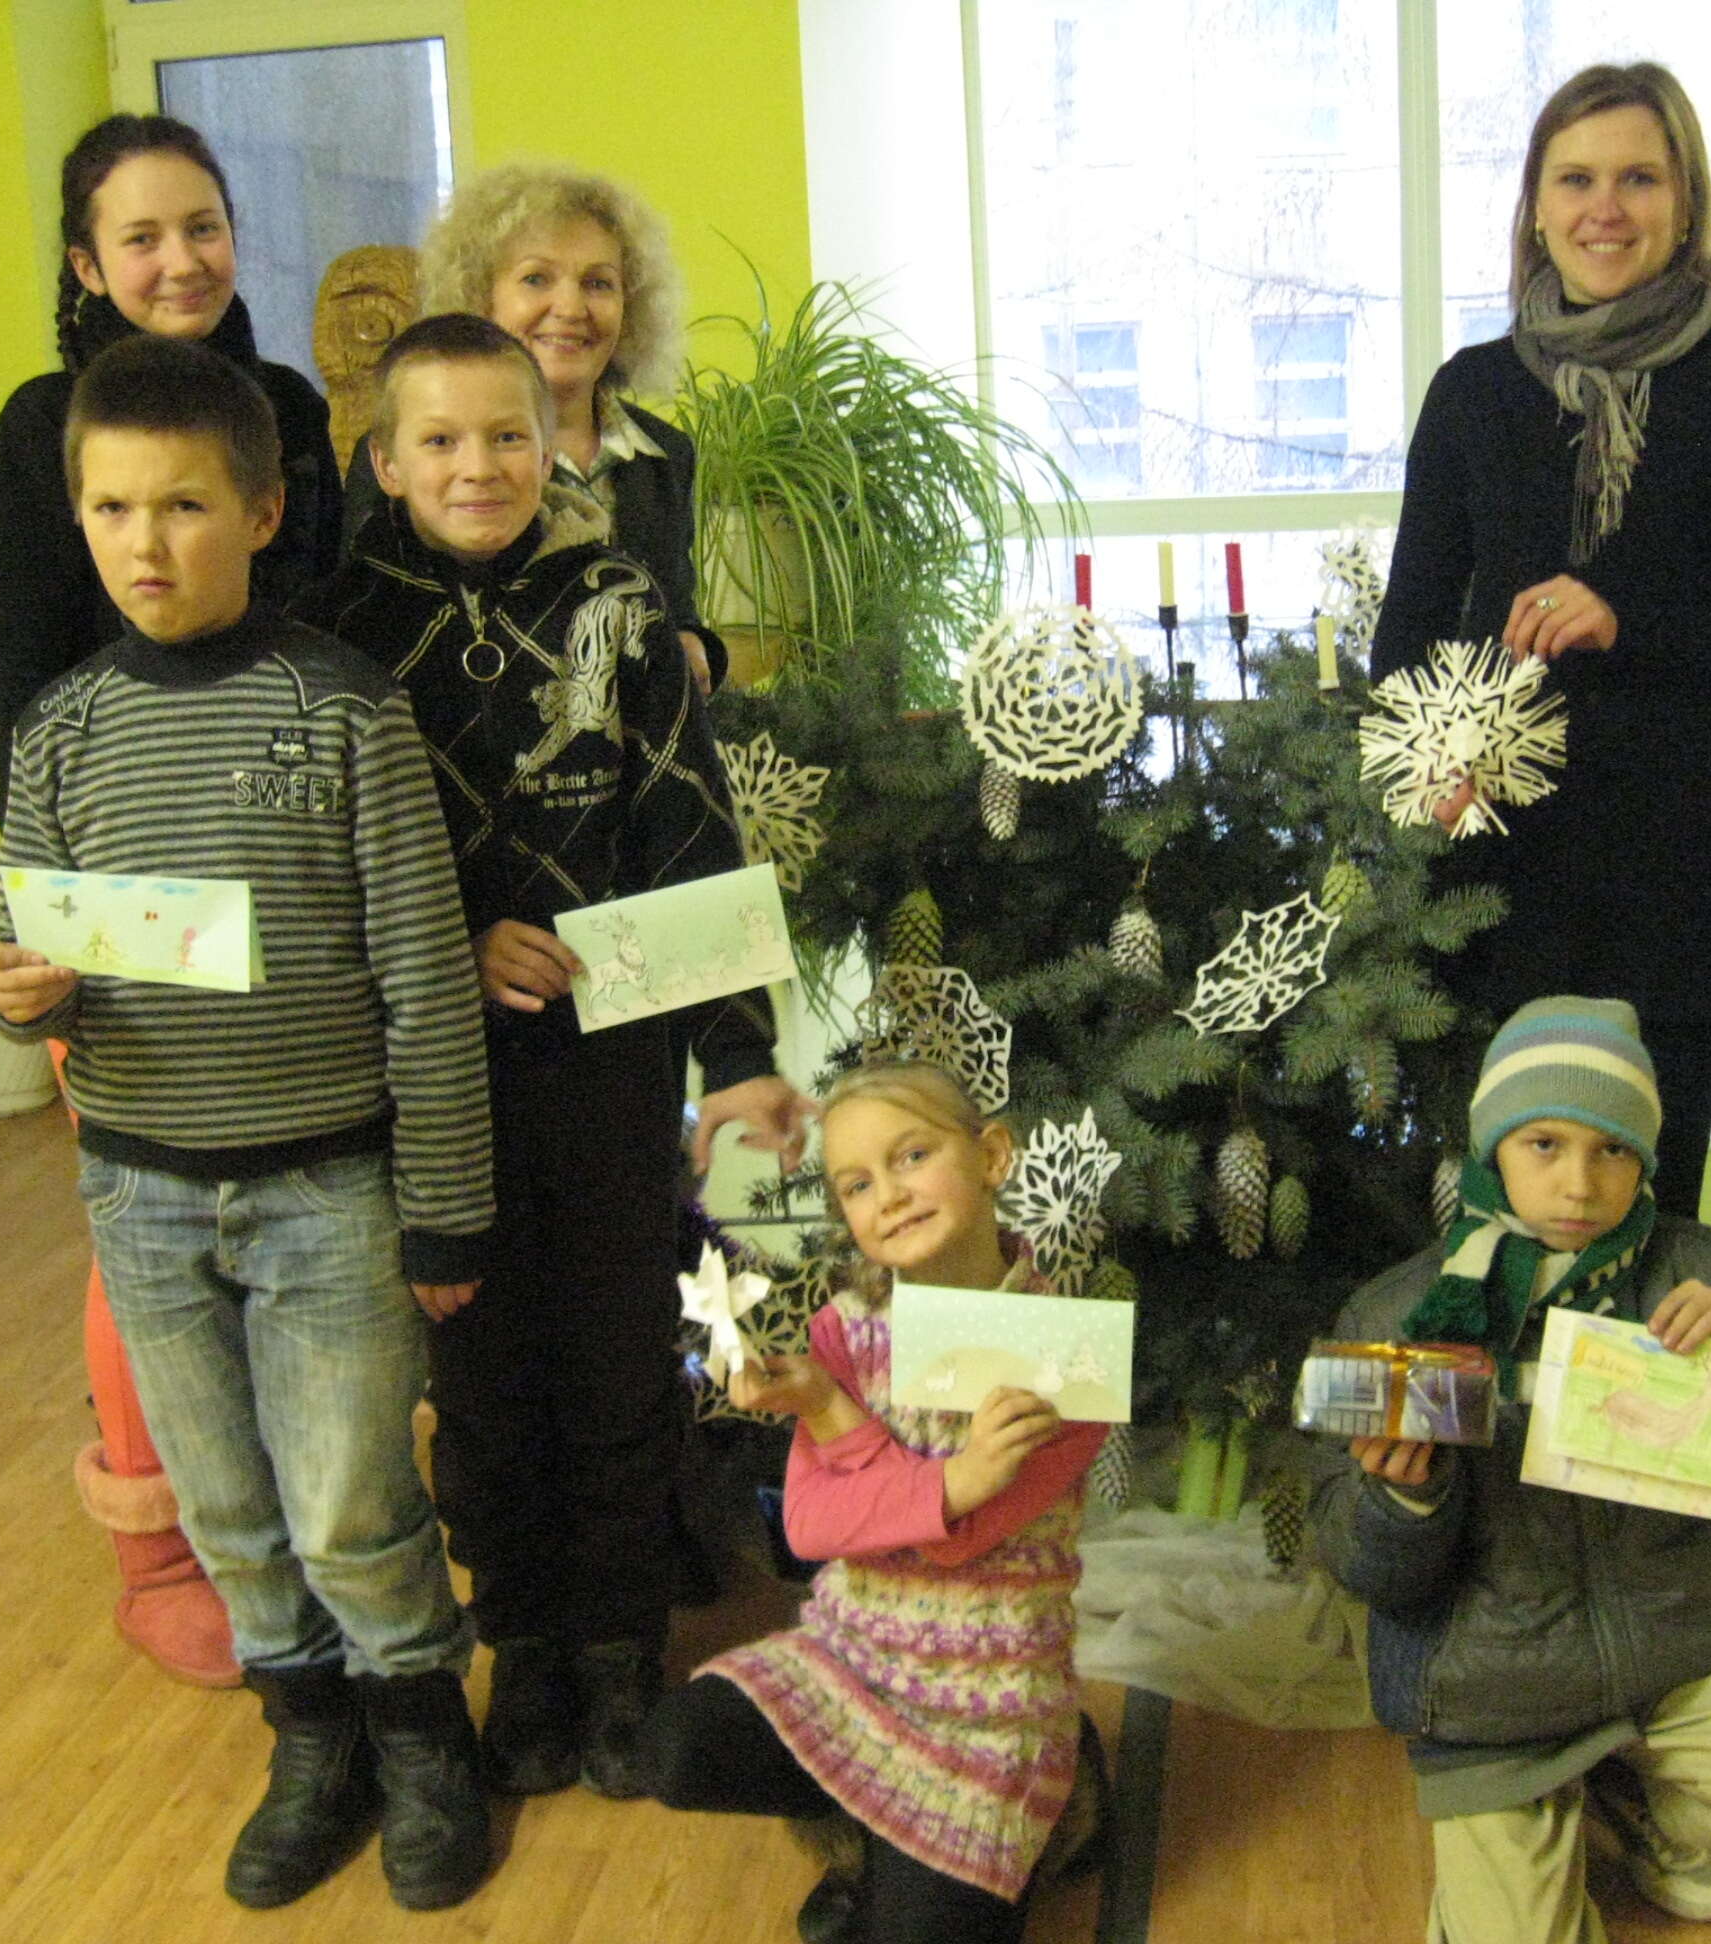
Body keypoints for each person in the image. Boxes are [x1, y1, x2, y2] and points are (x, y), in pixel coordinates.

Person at [0, 335, 496, 1911]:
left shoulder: (342, 711)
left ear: (264, 514)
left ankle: (422, 1737)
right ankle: (310, 1736)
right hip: (141, 1192)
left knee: (350, 1501)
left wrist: (446, 1207)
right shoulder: (59, 732)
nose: (147, 544)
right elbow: (38, 970)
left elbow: (426, 978)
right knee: (227, 1506)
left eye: (185, 506)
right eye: (113, 509)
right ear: (76, 516)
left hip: (328, 1188)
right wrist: (20, 995)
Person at [295, 313, 815, 1802]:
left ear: (550, 445)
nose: (478, 466)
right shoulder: (338, 634)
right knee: (482, 1376)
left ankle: (616, 1647)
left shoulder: (618, 604)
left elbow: (690, 825)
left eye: (507, 436)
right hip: (434, 1078)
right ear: (384, 461)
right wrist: (456, 941)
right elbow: (324, 865)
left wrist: (738, 1053)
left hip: (611, 1063)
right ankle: (521, 1643)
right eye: (440, 440)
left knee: (614, 1360)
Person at [0, 112, 345, 1688]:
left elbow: (325, 633)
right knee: (144, 1234)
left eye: (203, 224)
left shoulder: (292, 413)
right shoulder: (40, 425)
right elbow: (23, 685)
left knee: (300, 1221)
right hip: (122, 896)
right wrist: (61, 916)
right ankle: (158, 1550)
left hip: (286, 871)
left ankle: (295, 1528)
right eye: (141, 236)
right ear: (86, 262)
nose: (180, 260)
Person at [1368, 63, 1711, 1220]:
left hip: (1693, 871)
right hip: (1503, 879)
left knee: (1653, 1223)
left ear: (1686, 203)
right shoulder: (1472, 393)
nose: (1606, 208)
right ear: (1534, 209)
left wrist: (1629, 627)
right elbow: (1406, 645)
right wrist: (1433, 765)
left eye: (1639, 178)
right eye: (1575, 180)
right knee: (1508, 1232)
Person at [1308, 998, 1711, 1944]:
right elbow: (1367, 1571)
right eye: (1544, 1145)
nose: (1578, 1183)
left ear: (1645, 1159)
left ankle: (1634, 1797)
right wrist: (1404, 1495)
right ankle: (1550, 1809)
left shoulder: (1702, 1271)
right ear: (1493, 1149)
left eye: (1612, 1149)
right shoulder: (1398, 1314)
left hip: (1669, 1654)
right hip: (1492, 1691)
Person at [638, 1060, 1111, 1944]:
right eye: (857, 1184)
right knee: (675, 1750)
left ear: (991, 1156)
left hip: (989, 1708)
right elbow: (813, 1527)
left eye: (913, 1156)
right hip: (854, 1664)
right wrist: (835, 1409)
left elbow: (953, 1545)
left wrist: (930, 1474)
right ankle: (868, 1831)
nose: (888, 1196)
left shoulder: (1069, 1358)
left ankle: (1063, 1799)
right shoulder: (843, 1330)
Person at [339, 162, 724, 698]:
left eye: (598, 283)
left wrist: (695, 644)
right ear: (480, 296)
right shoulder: (411, 454)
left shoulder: (664, 453)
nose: (570, 308)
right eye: (536, 278)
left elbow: (675, 611)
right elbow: (367, 626)